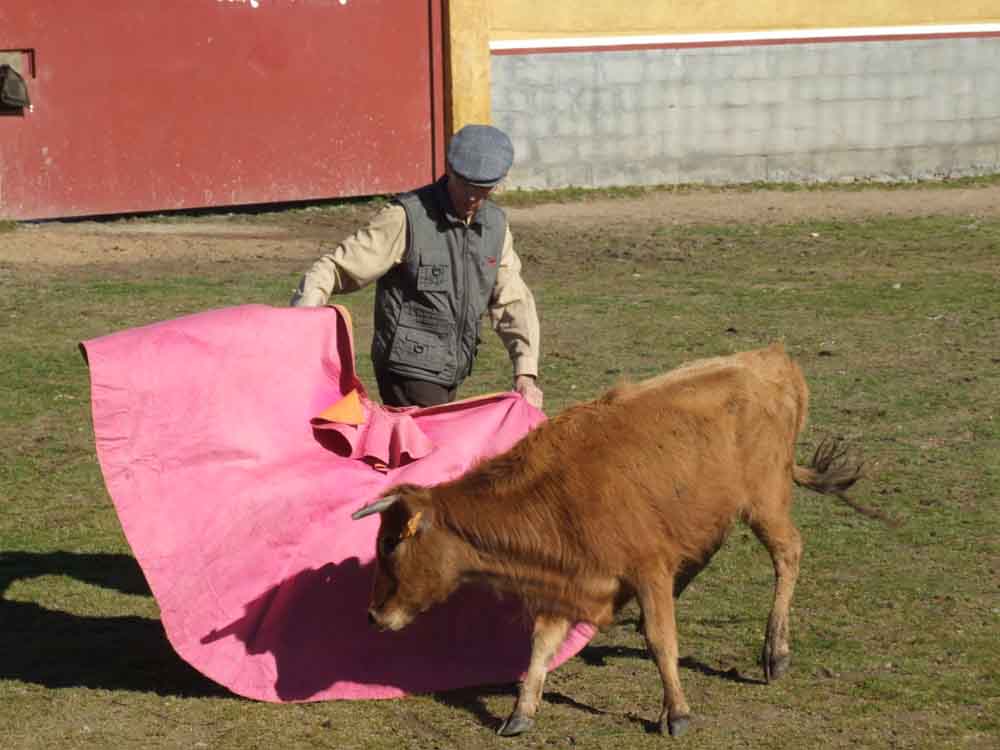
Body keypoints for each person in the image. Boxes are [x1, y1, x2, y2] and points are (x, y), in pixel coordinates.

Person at [290, 124, 544, 410]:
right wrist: (301, 328)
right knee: (436, 450)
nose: (473, 197)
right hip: (406, 368)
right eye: (465, 184)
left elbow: (512, 298)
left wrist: (525, 372)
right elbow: (334, 268)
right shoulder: (406, 216)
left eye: (483, 188)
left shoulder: (496, 226)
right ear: (449, 169)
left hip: (451, 367)